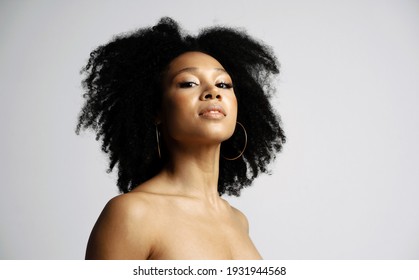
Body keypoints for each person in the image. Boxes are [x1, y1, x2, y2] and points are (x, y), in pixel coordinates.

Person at [76, 17, 285, 260]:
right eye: (188, 83)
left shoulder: (237, 220)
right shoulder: (131, 214)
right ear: (156, 110)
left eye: (223, 84)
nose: (213, 92)